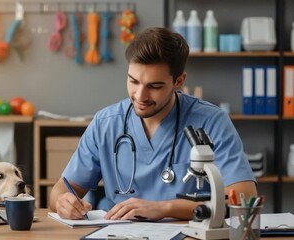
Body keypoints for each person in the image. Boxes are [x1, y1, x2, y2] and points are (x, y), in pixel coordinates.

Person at [49, 27, 257, 221]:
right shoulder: (105, 124)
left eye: (154, 86)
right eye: (133, 81)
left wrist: (165, 208)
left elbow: (244, 198)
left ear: (179, 81)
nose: (140, 96)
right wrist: (63, 203)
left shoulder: (211, 121)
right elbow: (60, 191)